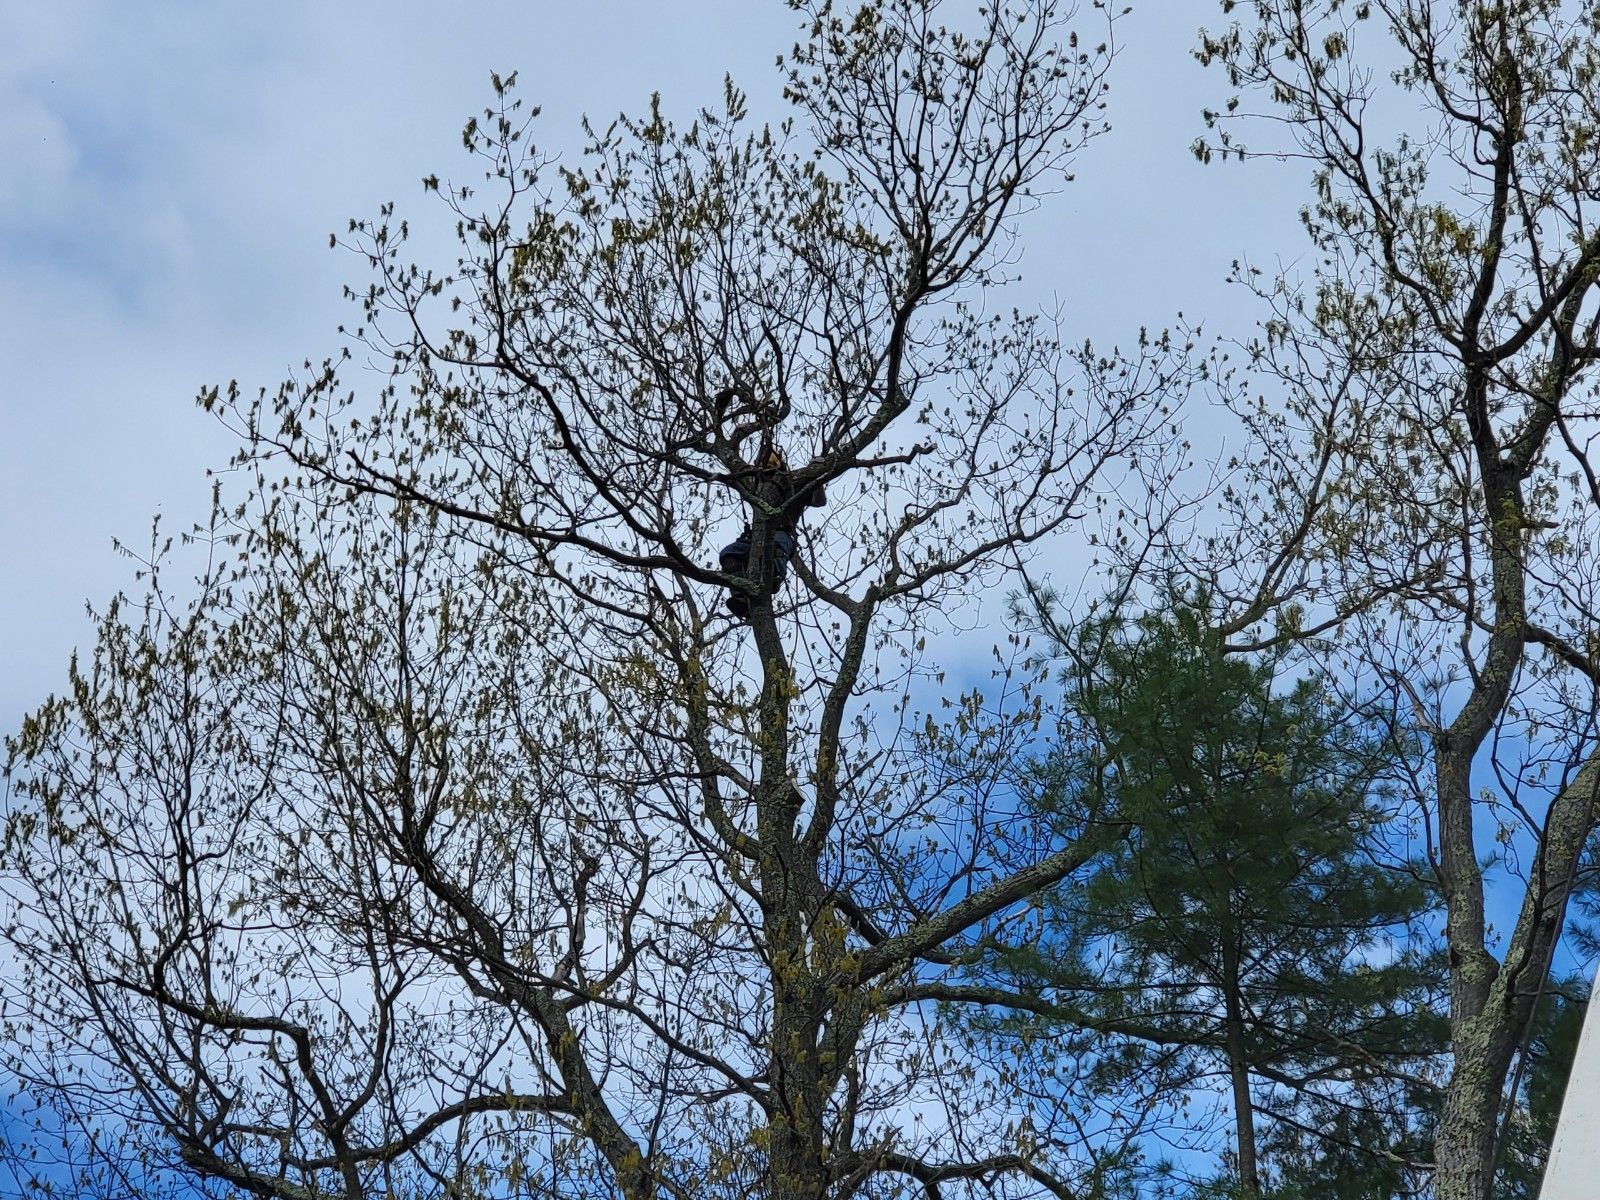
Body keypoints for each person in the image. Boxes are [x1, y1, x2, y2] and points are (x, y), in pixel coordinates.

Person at [719, 446, 826, 620]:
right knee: (729, 553)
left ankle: (773, 577)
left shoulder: (793, 484)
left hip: (782, 534)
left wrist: (817, 475)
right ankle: (740, 595)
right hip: (755, 537)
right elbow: (735, 467)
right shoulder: (757, 484)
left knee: (776, 547)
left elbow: (819, 501)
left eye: (771, 463)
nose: (767, 467)